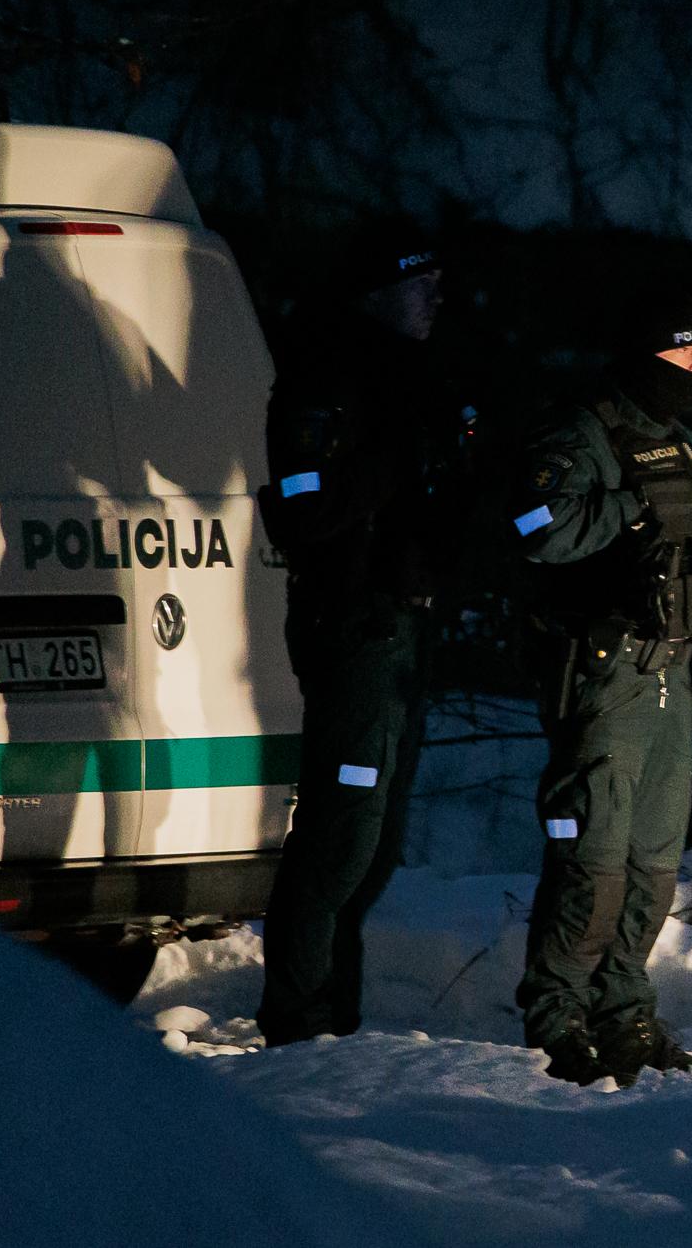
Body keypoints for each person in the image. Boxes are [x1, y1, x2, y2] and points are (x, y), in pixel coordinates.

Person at [508, 286, 692, 1086]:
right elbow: (535, 528)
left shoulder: (677, 440)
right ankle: (558, 1018)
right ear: (650, 353)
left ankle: (624, 1016)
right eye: (687, 352)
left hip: (670, 674)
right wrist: (630, 506)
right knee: (595, 854)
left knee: (653, 862)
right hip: (606, 672)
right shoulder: (587, 430)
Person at [256, 227, 454, 1046]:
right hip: (355, 630)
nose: (439, 299)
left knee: (369, 844)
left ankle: (331, 1014)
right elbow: (308, 506)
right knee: (340, 837)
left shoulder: (409, 382)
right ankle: (299, 1017)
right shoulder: (324, 380)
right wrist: (398, 457)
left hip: (399, 634)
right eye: (424, 285)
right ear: (379, 295)